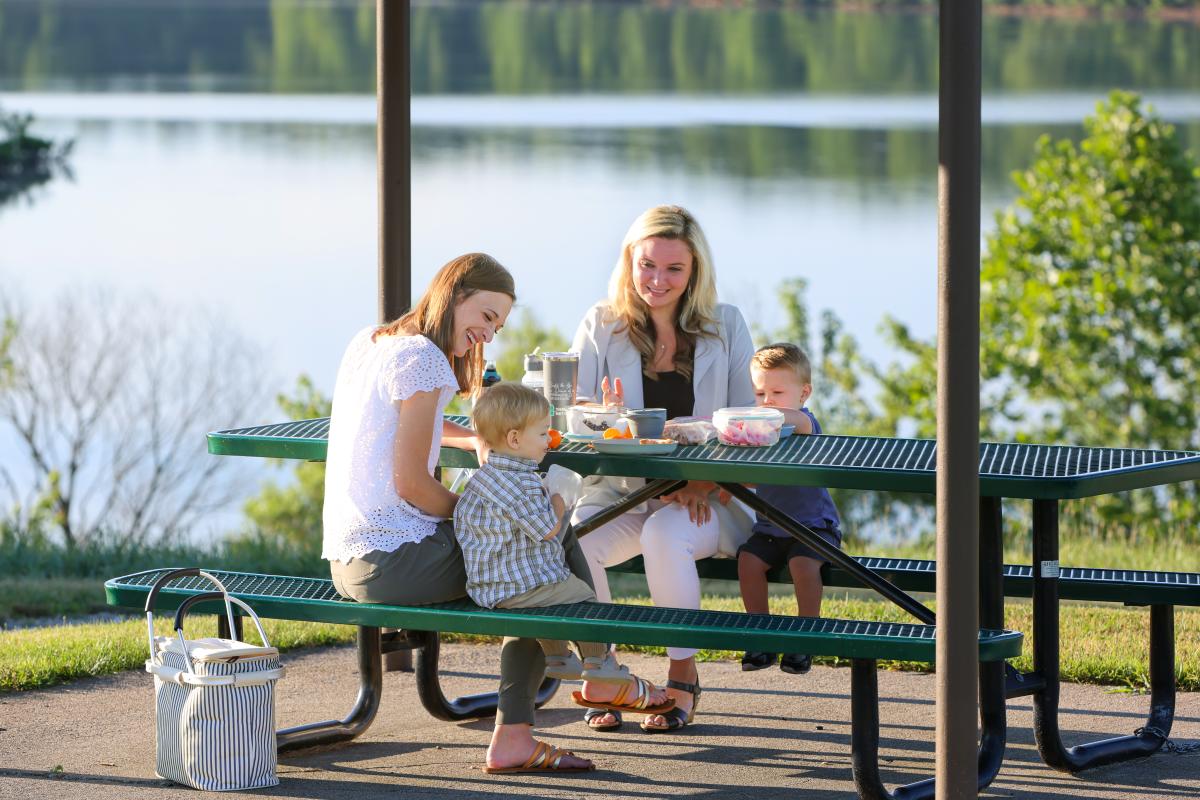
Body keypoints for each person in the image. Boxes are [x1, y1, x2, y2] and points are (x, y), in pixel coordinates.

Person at [321, 253, 637, 773]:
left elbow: (405, 424)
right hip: (394, 561)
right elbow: (412, 484)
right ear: (456, 294)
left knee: (532, 550)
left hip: (353, 559)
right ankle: (584, 678)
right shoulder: (424, 358)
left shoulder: (373, 340)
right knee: (538, 552)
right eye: (486, 316)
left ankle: (588, 671)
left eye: (497, 325)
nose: (487, 334)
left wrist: (469, 437)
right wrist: (479, 511)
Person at [569, 204, 756, 733]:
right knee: (577, 542)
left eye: (674, 268)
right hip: (623, 490)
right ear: (630, 260)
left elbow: (747, 420)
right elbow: (572, 415)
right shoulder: (601, 324)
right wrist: (600, 418)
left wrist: (706, 478)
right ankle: (603, 673)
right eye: (648, 264)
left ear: (695, 271)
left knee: (663, 534)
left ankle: (682, 674)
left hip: (708, 497)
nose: (658, 280)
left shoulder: (727, 325)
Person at [454, 383, 675, 713]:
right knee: (585, 599)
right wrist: (558, 497)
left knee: (552, 605)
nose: (549, 440)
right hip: (520, 587)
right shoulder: (521, 482)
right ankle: (601, 663)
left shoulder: (483, 478)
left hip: (487, 585)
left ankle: (557, 657)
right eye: (543, 434)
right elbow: (548, 530)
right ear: (515, 439)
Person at [735, 343, 843, 674]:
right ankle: (761, 633)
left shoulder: (805, 424)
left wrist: (757, 416)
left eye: (777, 392)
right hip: (771, 528)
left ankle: (804, 636)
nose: (767, 401)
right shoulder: (762, 435)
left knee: (801, 565)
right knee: (748, 562)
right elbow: (759, 480)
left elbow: (793, 421)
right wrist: (733, 485)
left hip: (813, 527)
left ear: (804, 393)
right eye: (759, 393)